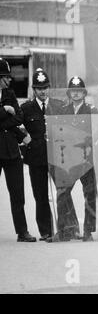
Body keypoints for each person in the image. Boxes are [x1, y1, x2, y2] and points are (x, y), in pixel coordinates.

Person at [47, 76, 97, 242]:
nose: (76, 94)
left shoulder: (92, 110)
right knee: (63, 193)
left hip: (86, 159)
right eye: (73, 91)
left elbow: (97, 134)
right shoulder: (63, 111)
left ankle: (88, 231)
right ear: (69, 93)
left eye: (79, 91)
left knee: (89, 194)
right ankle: (63, 230)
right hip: (68, 160)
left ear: (84, 93)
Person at [21, 68, 64, 241]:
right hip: (36, 157)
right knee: (40, 195)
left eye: (45, 87)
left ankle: (67, 227)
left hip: (56, 156)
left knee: (63, 192)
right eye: (39, 88)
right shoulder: (26, 108)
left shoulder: (58, 106)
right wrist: (25, 138)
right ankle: (46, 231)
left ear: (49, 87)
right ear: (33, 89)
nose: (43, 91)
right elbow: (16, 126)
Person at [0, 58, 36, 242]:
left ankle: (22, 231)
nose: (9, 81)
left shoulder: (10, 93)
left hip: (11, 150)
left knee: (17, 192)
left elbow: (19, 117)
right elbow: (12, 117)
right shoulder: (6, 100)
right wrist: (5, 110)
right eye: (6, 77)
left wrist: (6, 115)